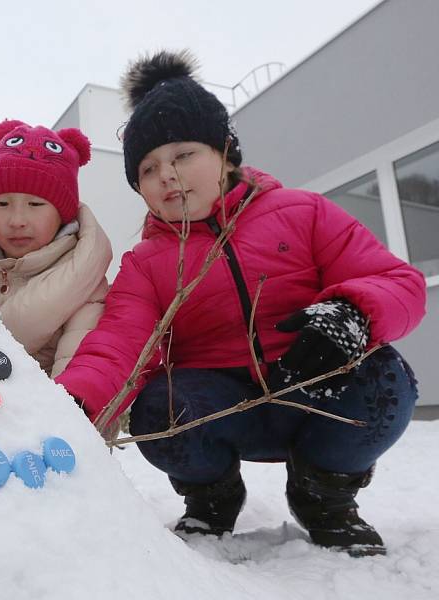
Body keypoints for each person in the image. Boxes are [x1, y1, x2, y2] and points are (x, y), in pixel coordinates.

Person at [55, 50, 426, 557]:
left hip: (317, 390)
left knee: (386, 378)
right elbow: (119, 342)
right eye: (148, 168)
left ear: (226, 153)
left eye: (183, 155)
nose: (167, 175)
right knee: (158, 407)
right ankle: (212, 497)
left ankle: (325, 496)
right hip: (222, 407)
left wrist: (352, 315)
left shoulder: (303, 213)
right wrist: (74, 402)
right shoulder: (146, 262)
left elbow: (396, 281)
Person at [0, 119, 112, 378]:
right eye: (1, 204)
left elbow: (76, 375)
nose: (17, 220)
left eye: (35, 205)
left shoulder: (84, 277)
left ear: (63, 214)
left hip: (41, 410)